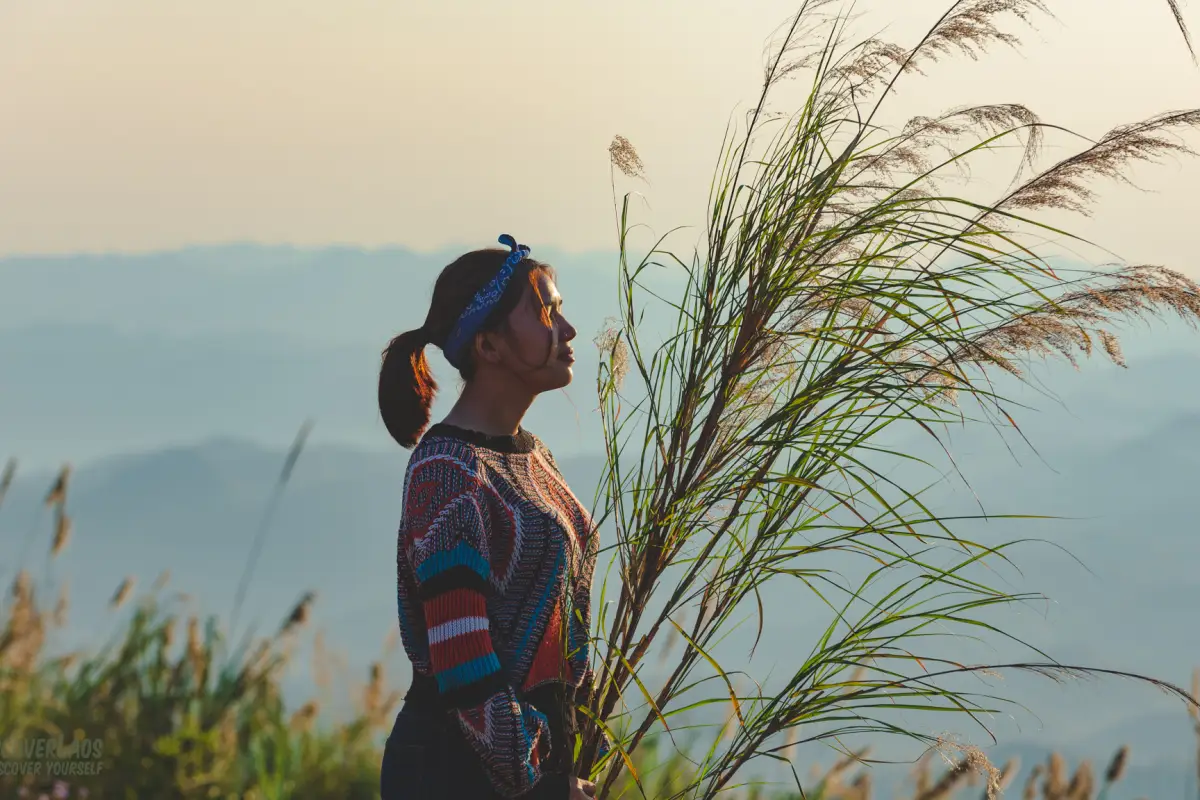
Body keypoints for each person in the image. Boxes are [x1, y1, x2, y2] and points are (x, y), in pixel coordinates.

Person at [377, 234, 606, 799]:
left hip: (529, 768)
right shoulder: (445, 473)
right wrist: (536, 786)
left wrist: (582, 735)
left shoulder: (534, 455)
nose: (568, 329)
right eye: (546, 312)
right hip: (453, 773)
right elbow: (462, 660)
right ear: (489, 345)